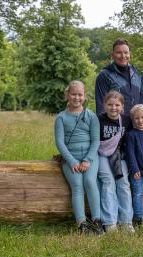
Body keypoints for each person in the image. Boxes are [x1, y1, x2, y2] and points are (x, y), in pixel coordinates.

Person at [54, 80, 102, 234]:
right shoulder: (61, 118)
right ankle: (81, 223)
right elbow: (60, 143)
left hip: (90, 157)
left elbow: (96, 141)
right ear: (68, 95)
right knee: (77, 185)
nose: (77, 98)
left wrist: (88, 160)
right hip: (71, 158)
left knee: (89, 181)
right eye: (73, 94)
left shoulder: (91, 116)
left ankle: (97, 220)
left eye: (80, 94)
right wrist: (72, 161)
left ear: (85, 96)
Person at [97, 90, 134, 233]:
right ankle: (110, 222)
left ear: (122, 106)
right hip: (101, 155)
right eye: (110, 104)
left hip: (119, 156)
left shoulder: (126, 121)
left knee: (123, 183)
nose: (113, 108)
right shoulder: (98, 120)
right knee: (108, 182)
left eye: (117, 105)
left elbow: (130, 141)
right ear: (104, 105)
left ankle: (126, 221)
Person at [95, 38, 143, 116]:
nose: (123, 56)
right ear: (112, 55)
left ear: (129, 54)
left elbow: (141, 98)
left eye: (126, 52)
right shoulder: (104, 75)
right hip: (116, 124)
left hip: (135, 123)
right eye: (119, 52)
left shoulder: (135, 73)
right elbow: (101, 105)